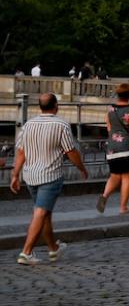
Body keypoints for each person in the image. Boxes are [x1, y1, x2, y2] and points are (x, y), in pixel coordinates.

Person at [10, 93, 87, 264]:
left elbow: (21, 152)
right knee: (40, 212)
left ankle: (53, 249)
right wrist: (81, 167)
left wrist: (15, 174)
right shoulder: (61, 125)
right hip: (50, 176)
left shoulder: (28, 125)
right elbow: (70, 151)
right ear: (56, 105)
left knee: (44, 213)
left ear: (40, 106)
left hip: (30, 176)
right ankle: (26, 252)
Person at [97, 83, 129, 215]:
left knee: (114, 176)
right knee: (127, 176)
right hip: (127, 146)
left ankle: (104, 196)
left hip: (112, 146)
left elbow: (108, 127)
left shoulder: (110, 109)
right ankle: (123, 207)